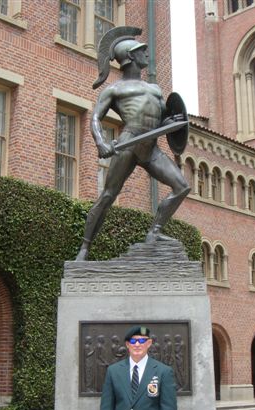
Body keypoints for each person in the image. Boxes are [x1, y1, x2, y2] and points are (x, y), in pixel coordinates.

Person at [75, 26, 190, 261]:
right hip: (129, 143)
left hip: (151, 147)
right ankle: (84, 248)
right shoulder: (115, 89)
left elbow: (165, 118)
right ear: (130, 58)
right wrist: (101, 142)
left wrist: (175, 121)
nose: (146, 54)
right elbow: (96, 117)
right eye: (141, 51)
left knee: (182, 186)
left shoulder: (155, 89)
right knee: (107, 195)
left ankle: (155, 232)